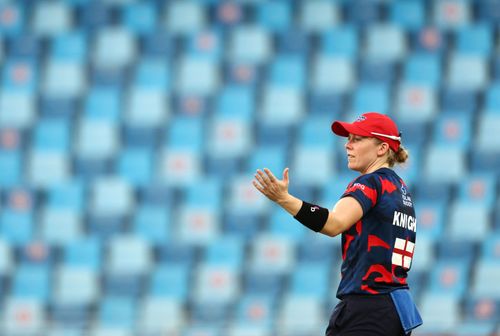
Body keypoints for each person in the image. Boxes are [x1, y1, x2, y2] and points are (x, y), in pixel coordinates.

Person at [252, 112, 422, 336]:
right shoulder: (400, 190)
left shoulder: (371, 182)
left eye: (357, 139)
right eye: (348, 139)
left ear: (381, 148)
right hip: (395, 309)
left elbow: (334, 224)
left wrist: (285, 199)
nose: (348, 146)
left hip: (367, 309)